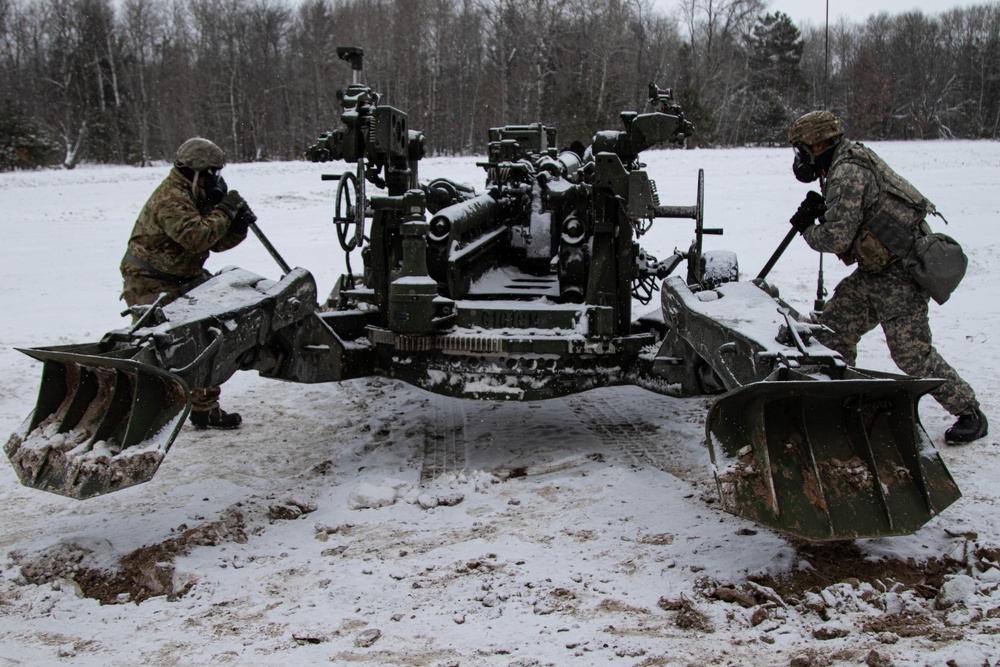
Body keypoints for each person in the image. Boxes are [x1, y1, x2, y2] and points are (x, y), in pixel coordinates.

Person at [786, 111, 988, 444]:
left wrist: (809, 228)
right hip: (875, 272)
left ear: (819, 143)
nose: (800, 158)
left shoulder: (848, 172)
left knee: (912, 353)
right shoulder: (845, 161)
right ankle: (839, 400)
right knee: (835, 330)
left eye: (802, 148)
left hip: (899, 276)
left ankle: (969, 412)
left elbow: (837, 237)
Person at [120, 137, 255, 430]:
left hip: (181, 276)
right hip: (150, 282)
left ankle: (205, 407)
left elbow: (214, 243)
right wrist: (224, 211)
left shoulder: (193, 194)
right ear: (199, 172)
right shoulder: (172, 199)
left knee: (206, 337)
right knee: (159, 348)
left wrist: (236, 226)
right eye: (214, 173)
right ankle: (139, 413)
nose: (217, 180)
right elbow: (197, 238)